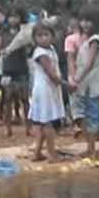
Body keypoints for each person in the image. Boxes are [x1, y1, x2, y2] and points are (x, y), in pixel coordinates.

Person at [71, 5, 99, 158]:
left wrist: (77, 78)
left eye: (89, 21)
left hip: (92, 84)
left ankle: (92, 150)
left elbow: (89, 64)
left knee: (92, 116)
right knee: (98, 117)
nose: (85, 24)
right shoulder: (89, 40)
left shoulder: (95, 40)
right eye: (82, 20)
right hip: (91, 83)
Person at [29, 20, 66, 162]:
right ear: (35, 38)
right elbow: (50, 73)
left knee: (42, 122)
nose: (43, 38)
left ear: (52, 36)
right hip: (44, 89)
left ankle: (37, 152)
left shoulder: (51, 49)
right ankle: (52, 153)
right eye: (39, 35)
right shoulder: (40, 53)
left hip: (49, 89)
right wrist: (66, 84)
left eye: (46, 35)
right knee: (47, 123)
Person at [0, 3, 33, 137]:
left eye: (16, 17)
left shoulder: (25, 32)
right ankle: (7, 127)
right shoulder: (4, 32)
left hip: (21, 69)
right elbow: (0, 49)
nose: (13, 20)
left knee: (25, 99)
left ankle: (28, 127)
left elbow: (29, 48)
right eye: (11, 17)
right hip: (8, 69)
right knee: (7, 99)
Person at [64, 17, 86, 133]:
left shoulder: (70, 39)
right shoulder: (87, 38)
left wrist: (73, 77)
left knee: (75, 101)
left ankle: (77, 124)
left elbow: (70, 59)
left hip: (76, 72)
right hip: (87, 73)